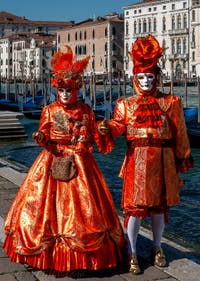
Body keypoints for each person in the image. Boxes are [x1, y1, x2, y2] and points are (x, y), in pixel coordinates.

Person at [3, 46, 126, 274]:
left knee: (85, 210)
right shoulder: (49, 110)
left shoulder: (86, 110)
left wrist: (101, 129)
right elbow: (44, 133)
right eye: (62, 90)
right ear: (56, 90)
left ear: (75, 89)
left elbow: (97, 137)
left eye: (69, 90)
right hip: (53, 159)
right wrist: (40, 137)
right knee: (40, 206)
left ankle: (82, 257)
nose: (66, 94)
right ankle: (45, 252)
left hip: (81, 162)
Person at [96, 34, 194, 274]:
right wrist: (105, 128)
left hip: (163, 161)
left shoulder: (171, 102)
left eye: (150, 77)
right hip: (136, 162)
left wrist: (182, 158)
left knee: (159, 207)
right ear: (135, 79)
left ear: (157, 77)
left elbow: (180, 132)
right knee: (135, 208)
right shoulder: (126, 104)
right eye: (142, 77)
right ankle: (131, 251)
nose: (147, 81)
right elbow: (118, 126)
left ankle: (157, 246)